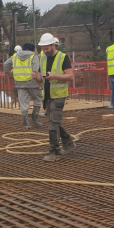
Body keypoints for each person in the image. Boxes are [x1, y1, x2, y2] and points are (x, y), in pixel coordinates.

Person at [39, 33, 76, 162]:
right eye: (43, 48)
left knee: (53, 123)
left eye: (46, 48)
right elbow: (42, 76)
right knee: (54, 121)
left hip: (59, 95)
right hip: (47, 95)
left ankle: (54, 151)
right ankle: (68, 141)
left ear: (53, 45)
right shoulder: (42, 58)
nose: (44, 51)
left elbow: (70, 76)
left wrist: (55, 76)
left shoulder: (63, 58)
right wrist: (37, 77)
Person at [3, 42, 43, 128]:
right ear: (32, 49)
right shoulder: (34, 55)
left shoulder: (15, 56)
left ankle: (26, 124)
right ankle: (35, 120)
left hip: (19, 83)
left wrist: (9, 75)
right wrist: (40, 81)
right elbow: (35, 70)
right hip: (32, 82)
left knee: (24, 103)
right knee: (38, 100)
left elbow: (5, 64)